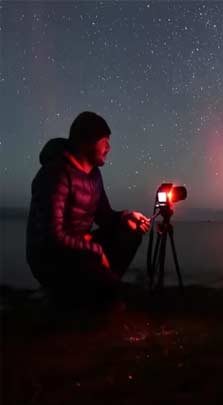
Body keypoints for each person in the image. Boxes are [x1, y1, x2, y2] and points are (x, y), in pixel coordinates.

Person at [26, 111, 150, 308]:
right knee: (112, 295)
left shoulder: (94, 175)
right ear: (87, 140)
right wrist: (95, 250)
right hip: (50, 257)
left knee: (130, 231)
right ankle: (87, 291)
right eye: (104, 141)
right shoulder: (56, 174)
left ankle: (103, 286)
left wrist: (126, 216)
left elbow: (105, 217)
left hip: (80, 248)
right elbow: (52, 236)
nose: (109, 147)